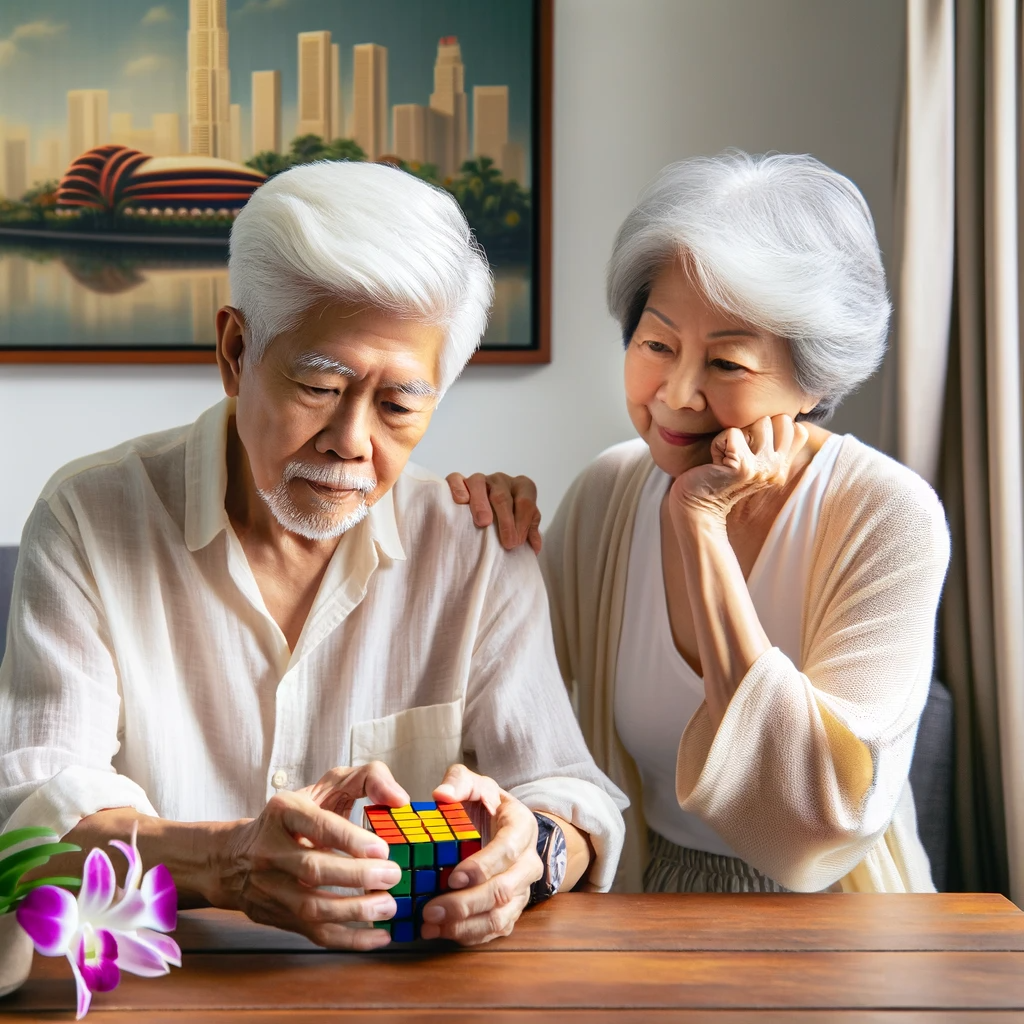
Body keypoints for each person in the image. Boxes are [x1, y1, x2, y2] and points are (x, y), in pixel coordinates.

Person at [0, 161, 626, 948]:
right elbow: (33, 819)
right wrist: (225, 862)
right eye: (319, 387)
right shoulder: (89, 521)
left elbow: (572, 794)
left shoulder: (476, 547)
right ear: (235, 350)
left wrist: (531, 851)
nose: (353, 443)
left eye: (399, 404)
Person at [448, 151, 950, 894]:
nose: (676, 395)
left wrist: (700, 523)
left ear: (813, 381)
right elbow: (508, 713)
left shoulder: (885, 514)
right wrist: (487, 545)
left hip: (838, 922)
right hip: (640, 901)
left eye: (727, 365)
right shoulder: (610, 492)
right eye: (656, 345)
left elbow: (817, 821)